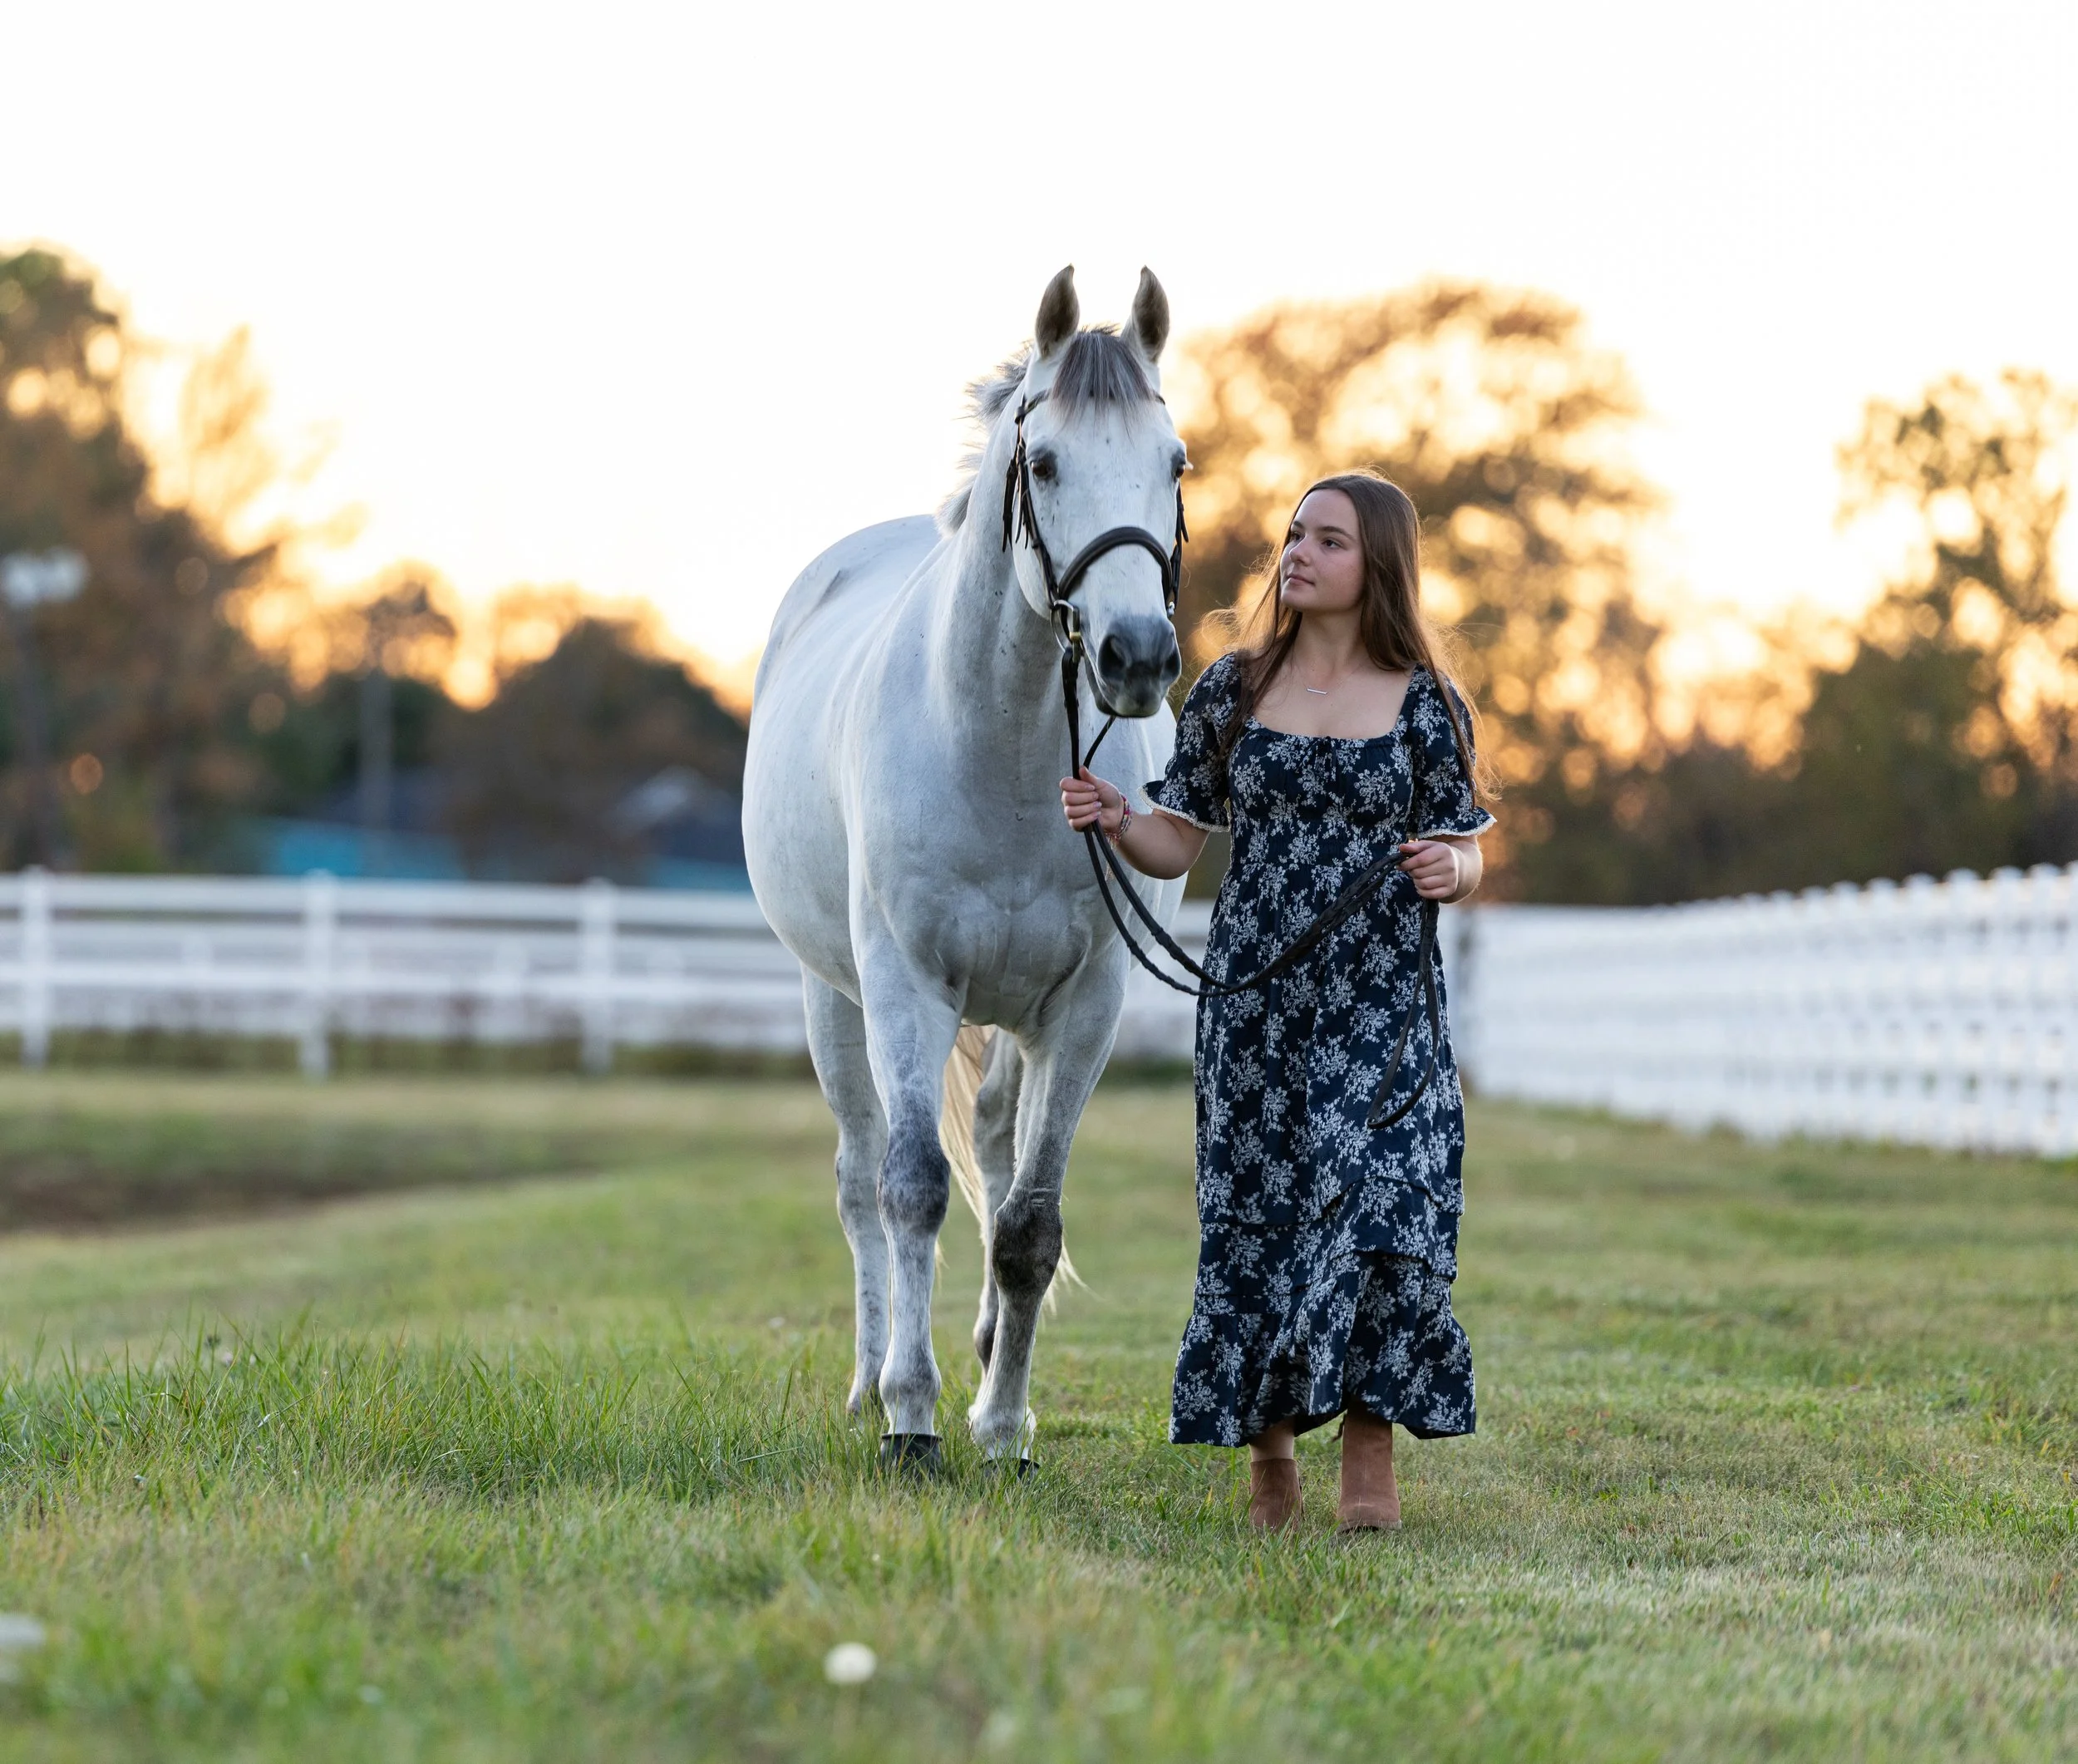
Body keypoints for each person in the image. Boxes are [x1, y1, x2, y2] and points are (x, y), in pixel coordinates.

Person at [1061, 471, 1492, 1532]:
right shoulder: (1233, 687)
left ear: (1377, 564)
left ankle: (1369, 1465)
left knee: (1384, 1211)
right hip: (1258, 1003)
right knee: (1259, 1220)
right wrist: (1121, 816)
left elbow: (1468, 846)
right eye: (1295, 534)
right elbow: (1180, 837)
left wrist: (1454, 872)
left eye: (1329, 540)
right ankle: (1267, 1466)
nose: (1297, 553)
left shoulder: (1428, 702)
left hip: (1383, 1001)